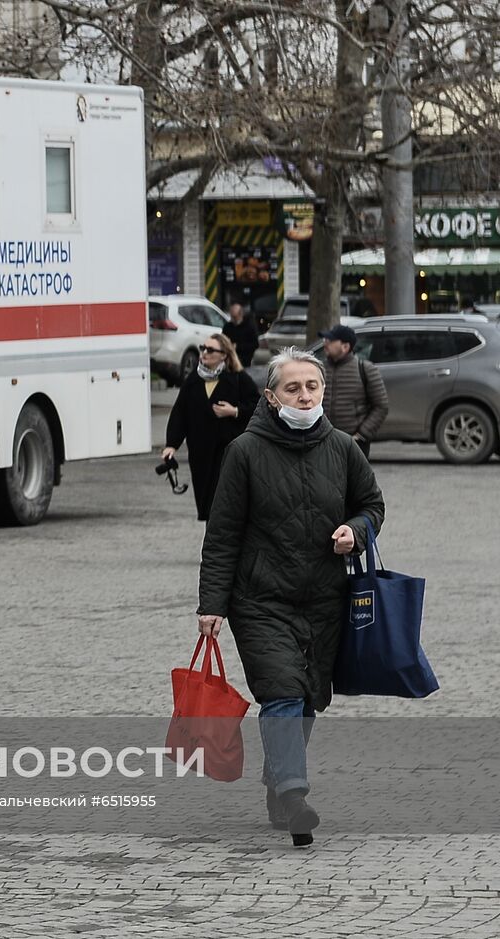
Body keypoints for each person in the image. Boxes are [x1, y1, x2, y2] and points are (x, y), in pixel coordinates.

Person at [197, 348, 385, 847]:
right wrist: (212, 604)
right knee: (281, 690)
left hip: (325, 598)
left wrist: (355, 531)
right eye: (293, 388)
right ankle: (295, 796)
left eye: (312, 387)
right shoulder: (244, 452)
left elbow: (371, 505)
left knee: (306, 698)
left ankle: (278, 785)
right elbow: (222, 534)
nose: (304, 396)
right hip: (260, 600)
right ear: (271, 396)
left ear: (323, 391)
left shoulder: (343, 447)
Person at [161, 333, 257, 522]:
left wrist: (234, 411)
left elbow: (257, 405)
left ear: (224, 355)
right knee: (207, 505)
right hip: (200, 454)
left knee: (224, 505)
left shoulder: (238, 378)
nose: (204, 353)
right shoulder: (193, 380)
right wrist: (171, 444)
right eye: (203, 348)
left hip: (228, 452)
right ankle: (213, 537)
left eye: (210, 350)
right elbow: (180, 413)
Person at [319, 325, 388, 459]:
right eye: (325, 339)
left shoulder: (365, 369)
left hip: (355, 443)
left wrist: (361, 435)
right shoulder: (319, 369)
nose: (325, 343)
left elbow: (381, 406)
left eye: (331, 340)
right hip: (323, 441)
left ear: (345, 347)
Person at [222, 301, 259, 368]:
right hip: (230, 359)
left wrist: (238, 346)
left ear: (241, 314)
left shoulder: (249, 327)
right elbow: (222, 340)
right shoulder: (227, 327)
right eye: (232, 317)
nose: (233, 319)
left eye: (235, 317)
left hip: (244, 359)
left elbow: (255, 344)